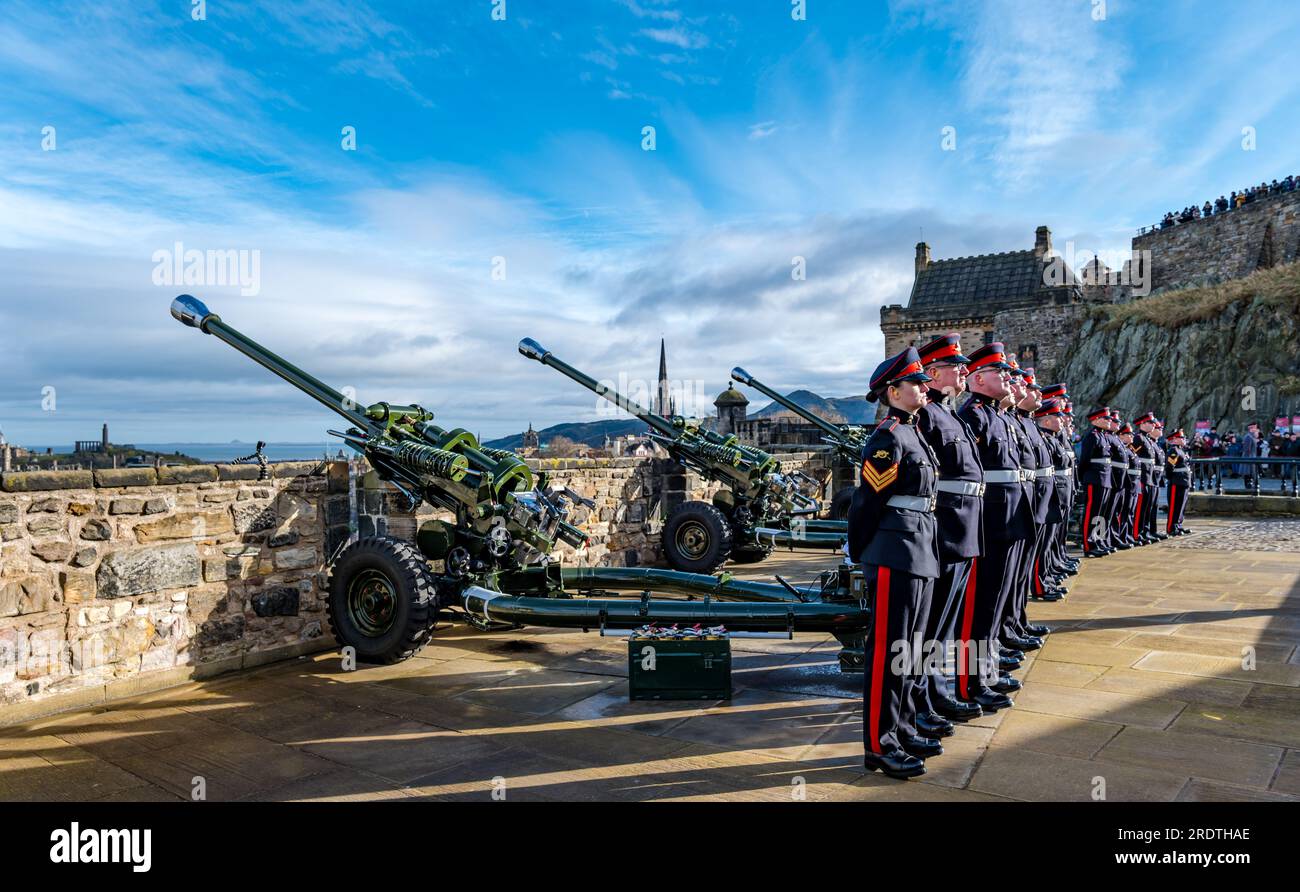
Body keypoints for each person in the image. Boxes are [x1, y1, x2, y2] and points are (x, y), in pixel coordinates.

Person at [848, 346, 942, 779]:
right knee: (887, 652)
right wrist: (864, 553)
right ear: (893, 391)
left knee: (910, 649)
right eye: (916, 382)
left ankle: (902, 730)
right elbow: (867, 504)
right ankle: (879, 745)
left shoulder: (914, 431)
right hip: (892, 553)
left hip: (920, 548)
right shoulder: (887, 437)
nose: (925, 386)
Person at [914, 334, 986, 725]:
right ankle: (922, 700)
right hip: (942, 530)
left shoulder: (950, 413)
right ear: (934, 372)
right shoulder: (926, 415)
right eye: (955, 365)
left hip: (962, 528)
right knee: (929, 625)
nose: (964, 370)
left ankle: (937, 691)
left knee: (945, 624)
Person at [955, 343, 1027, 713]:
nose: (1008, 379)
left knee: (996, 603)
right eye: (1000, 373)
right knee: (979, 608)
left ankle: (987, 670)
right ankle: (970, 682)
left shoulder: (996, 415)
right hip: (987, 522)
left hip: (1008, 519)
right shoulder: (973, 414)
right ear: (979, 379)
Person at [1078, 406, 1116, 557]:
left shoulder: (1104, 436)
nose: (1109, 421)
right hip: (1094, 478)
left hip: (1105, 478)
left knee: (1101, 513)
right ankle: (1089, 545)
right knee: (1092, 512)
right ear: (1096, 420)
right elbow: (1084, 460)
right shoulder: (1091, 436)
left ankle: (1098, 541)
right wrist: (1083, 478)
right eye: (1106, 418)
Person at [1165, 429, 1193, 535]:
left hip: (1184, 482)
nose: (1184, 439)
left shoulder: (1182, 450)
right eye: (1181, 437)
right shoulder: (1174, 451)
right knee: (1174, 506)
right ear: (1175, 439)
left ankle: (1178, 525)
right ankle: (1171, 528)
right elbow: (1169, 467)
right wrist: (1171, 479)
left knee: (1181, 506)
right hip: (1176, 482)